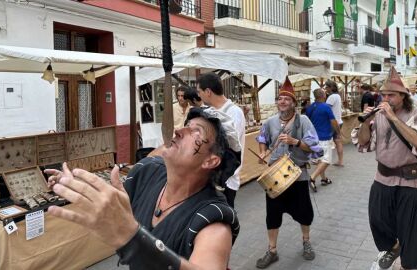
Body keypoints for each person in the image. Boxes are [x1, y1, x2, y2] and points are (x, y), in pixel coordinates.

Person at [45, 107, 242, 270]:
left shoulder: (213, 222)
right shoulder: (148, 173)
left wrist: (132, 238)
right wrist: (75, 183)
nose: (178, 131)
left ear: (210, 160)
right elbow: (111, 197)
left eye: (196, 132)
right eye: (186, 126)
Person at [354, 66, 417, 270]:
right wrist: (366, 123)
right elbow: (363, 144)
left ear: (403, 96)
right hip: (382, 178)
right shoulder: (378, 115)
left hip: (411, 181)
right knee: (377, 220)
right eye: (383, 94)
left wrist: (393, 117)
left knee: (410, 230)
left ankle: (409, 265)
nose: (386, 98)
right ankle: (394, 247)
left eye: (391, 94)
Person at [255, 77, 322, 268]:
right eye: (279, 98)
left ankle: (306, 242)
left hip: (297, 175)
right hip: (275, 175)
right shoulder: (269, 122)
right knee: (272, 214)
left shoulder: (304, 121)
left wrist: (296, 142)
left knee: (304, 212)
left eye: (286, 99)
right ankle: (272, 250)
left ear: (293, 103)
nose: (282, 102)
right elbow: (262, 137)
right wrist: (262, 152)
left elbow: (316, 149)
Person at [196, 72, 246, 208]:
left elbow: (226, 144)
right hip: (209, 177)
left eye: (199, 91)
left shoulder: (234, 112)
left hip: (226, 179)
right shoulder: (207, 110)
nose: (198, 95)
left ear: (208, 92)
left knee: (224, 221)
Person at [306, 88, 341, 191]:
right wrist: (338, 133)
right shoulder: (326, 107)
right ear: (323, 95)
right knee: (326, 160)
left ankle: (324, 179)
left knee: (321, 160)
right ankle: (312, 178)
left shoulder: (310, 107)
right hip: (324, 137)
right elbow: (334, 122)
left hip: (313, 138)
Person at [324, 79, 344, 166]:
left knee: (325, 142)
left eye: (326, 87)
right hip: (339, 122)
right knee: (338, 141)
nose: (325, 89)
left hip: (332, 123)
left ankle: (324, 161)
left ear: (330, 87)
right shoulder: (338, 96)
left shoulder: (331, 97)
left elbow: (326, 110)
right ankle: (340, 161)